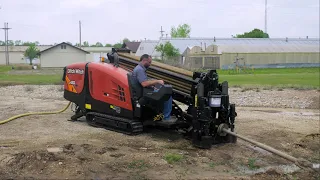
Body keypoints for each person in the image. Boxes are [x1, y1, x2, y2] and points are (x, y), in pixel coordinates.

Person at [131, 54, 174, 122]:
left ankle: (160, 114)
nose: (150, 64)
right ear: (144, 60)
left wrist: (153, 84)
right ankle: (166, 118)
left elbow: (144, 81)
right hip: (143, 94)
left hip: (143, 91)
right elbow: (144, 84)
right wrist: (157, 81)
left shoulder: (140, 68)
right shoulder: (139, 70)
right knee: (167, 96)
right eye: (149, 62)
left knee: (163, 93)